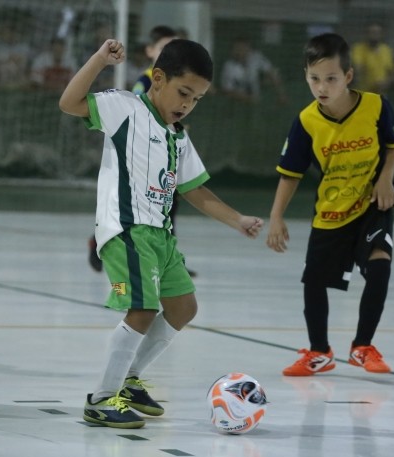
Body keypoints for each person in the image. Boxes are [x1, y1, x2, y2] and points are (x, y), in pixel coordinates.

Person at [59, 38, 264, 428]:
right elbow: (69, 103)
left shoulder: (178, 136)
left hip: (161, 237)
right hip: (126, 230)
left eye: (197, 99)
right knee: (142, 308)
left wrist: (237, 219)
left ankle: (129, 379)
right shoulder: (124, 108)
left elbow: (196, 191)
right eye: (183, 93)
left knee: (184, 307)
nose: (188, 104)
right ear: (157, 79)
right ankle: (101, 399)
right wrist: (99, 60)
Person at [266, 33, 394, 377]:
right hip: (331, 210)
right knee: (313, 281)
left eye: (331, 79)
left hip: (372, 203)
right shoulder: (306, 121)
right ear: (305, 76)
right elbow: (290, 173)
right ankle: (319, 352)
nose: (322, 87)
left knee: (380, 264)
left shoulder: (376, 106)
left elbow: (393, 144)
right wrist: (276, 216)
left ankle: (362, 346)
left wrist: (386, 178)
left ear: (348, 76)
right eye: (314, 79)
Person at [86, 25, 178, 273]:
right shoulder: (146, 80)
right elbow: (138, 109)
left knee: (168, 206)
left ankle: (168, 259)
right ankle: (100, 242)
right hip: (141, 155)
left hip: (165, 154)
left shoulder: (178, 82)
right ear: (150, 51)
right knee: (130, 207)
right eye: (164, 48)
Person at [220, 36, 287, 103]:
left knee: (273, 74)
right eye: (237, 48)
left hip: (257, 96)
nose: (240, 51)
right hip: (238, 101)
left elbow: (271, 72)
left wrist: (281, 95)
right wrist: (248, 98)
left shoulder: (256, 57)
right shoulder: (228, 66)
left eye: (244, 48)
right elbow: (227, 91)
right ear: (232, 51)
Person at [351, 23, 394, 94]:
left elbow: (393, 74)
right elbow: (357, 68)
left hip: (380, 93)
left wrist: (386, 83)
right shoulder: (359, 49)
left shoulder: (386, 50)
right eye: (372, 32)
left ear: (382, 34)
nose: (374, 35)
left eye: (377, 32)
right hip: (363, 92)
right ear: (366, 34)